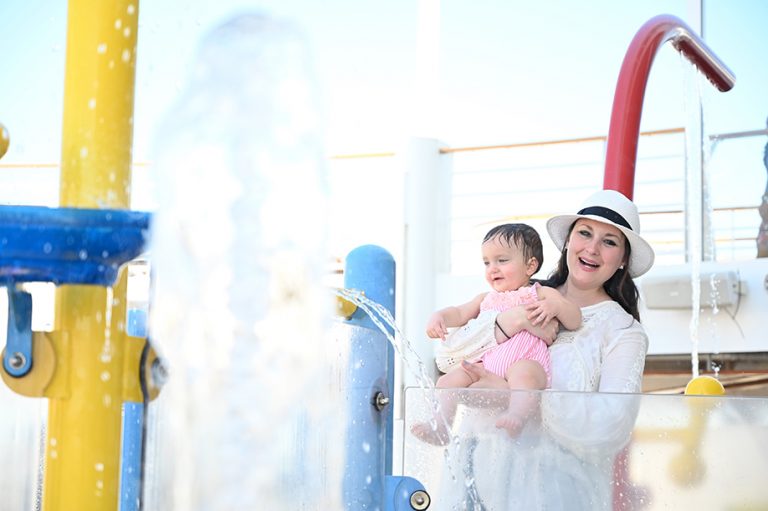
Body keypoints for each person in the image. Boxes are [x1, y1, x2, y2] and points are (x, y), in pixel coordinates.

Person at [426, 189, 655, 510]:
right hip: (475, 480)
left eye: (609, 241)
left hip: (555, 494)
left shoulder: (623, 331)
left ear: (623, 260)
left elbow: (611, 426)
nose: (592, 248)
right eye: (585, 233)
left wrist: (515, 395)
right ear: (567, 241)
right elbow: (447, 357)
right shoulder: (519, 292)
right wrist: (509, 322)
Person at [411, 223, 581, 444]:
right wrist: (440, 317)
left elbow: (575, 319)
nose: (492, 268)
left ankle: (517, 416)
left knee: (526, 377)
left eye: (502, 261)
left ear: (530, 266)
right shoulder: (485, 299)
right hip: (487, 364)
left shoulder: (539, 293)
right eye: (487, 262)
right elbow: (460, 312)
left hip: (525, 360)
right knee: (448, 381)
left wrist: (555, 307)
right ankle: (441, 425)